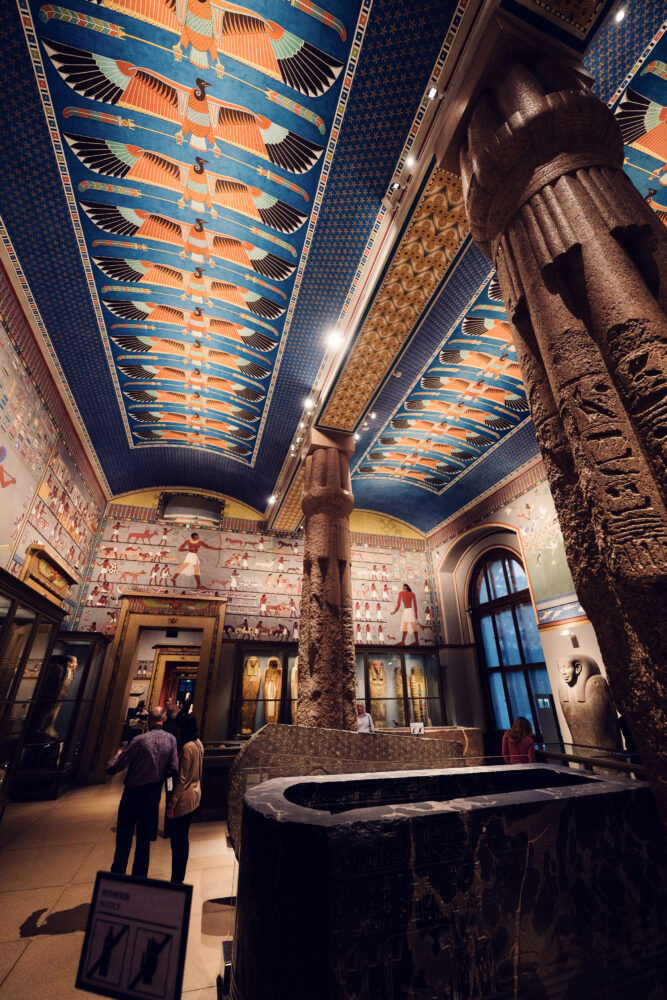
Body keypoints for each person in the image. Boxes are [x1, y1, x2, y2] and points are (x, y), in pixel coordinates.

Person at [107, 706, 178, 878]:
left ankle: (117, 879)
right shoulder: (171, 740)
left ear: (148, 720)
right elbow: (173, 768)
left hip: (132, 794)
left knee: (124, 839)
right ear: (165, 720)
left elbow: (115, 767)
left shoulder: (139, 740)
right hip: (152, 796)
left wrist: (116, 756)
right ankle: (139, 880)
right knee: (144, 842)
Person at [167, 714, 204, 883]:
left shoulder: (188, 747)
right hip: (195, 793)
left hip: (185, 797)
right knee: (183, 837)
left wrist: (172, 803)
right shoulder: (199, 743)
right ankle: (178, 875)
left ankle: (177, 877)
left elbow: (181, 779)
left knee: (178, 840)